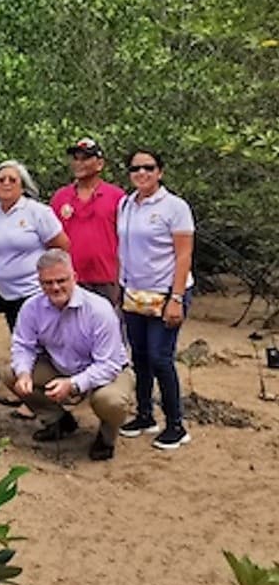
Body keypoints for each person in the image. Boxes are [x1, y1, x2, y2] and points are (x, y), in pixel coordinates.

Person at [5, 251, 132, 461]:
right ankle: (58, 421)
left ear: (75, 276)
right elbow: (23, 346)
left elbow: (109, 364)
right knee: (12, 374)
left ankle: (107, 437)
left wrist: (73, 384)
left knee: (111, 401)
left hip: (108, 371)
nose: (55, 287)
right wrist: (24, 373)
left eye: (61, 280)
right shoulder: (31, 307)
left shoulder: (99, 310)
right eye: (48, 282)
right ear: (39, 282)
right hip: (60, 366)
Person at [117, 149, 196, 450]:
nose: (142, 173)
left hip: (166, 292)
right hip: (135, 292)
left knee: (161, 357)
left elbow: (184, 253)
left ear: (160, 172)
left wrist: (176, 297)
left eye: (148, 168)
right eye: (135, 168)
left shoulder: (175, 207)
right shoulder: (126, 204)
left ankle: (176, 424)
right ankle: (144, 415)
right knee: (140, 356)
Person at [0, 160, 69, 418]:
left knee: (43, 345)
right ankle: (27, 391)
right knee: (21, 341)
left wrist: (54, 282)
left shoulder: (37, 212)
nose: (6, 183)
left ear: (23, 185)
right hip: (5, 291)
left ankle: (43, 399)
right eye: (1, 179)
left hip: (35, 290)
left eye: (12, 180)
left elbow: (61, 245)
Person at [50, 138, 124, 306]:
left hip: (106, 279)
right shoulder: (60, 197)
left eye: (85, 158)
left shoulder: (117, 197)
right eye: (75, 158)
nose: (79, 163)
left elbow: (126, 240)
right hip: (69, 278)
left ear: (99, 164)